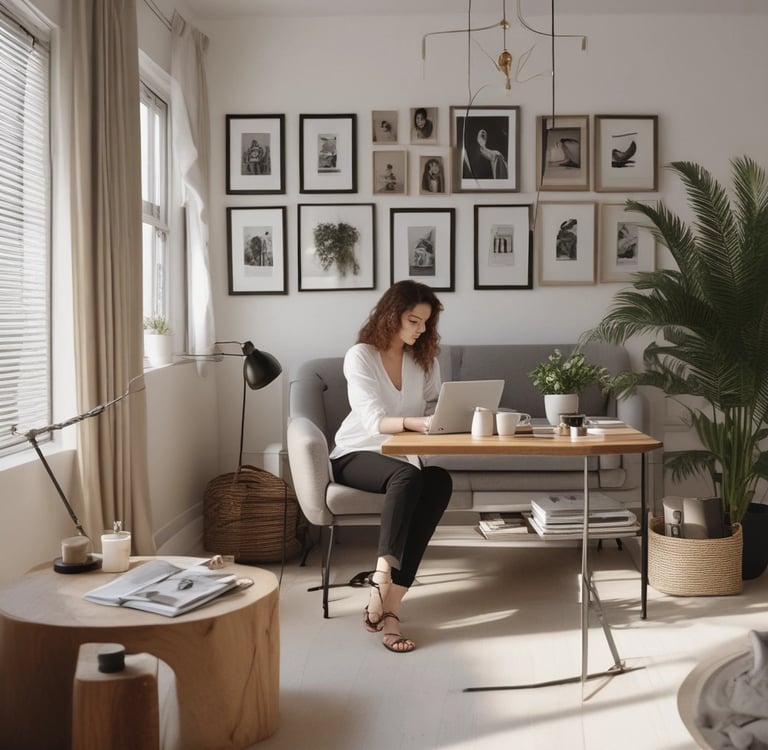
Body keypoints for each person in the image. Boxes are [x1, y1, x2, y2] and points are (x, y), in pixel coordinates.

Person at [329, 281, 452, 653]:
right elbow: (371, 421)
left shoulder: (423, 359)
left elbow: (433, 404)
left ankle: (392, 606)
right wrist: (418, 424)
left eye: (425, 324)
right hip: (355, 453)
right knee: (407, 476)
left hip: (402, 456)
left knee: (438, 481)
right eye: (413, 320)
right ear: (390, 315)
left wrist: (446, 417)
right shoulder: (361, 356)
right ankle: (382, 577)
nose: (419, 329)